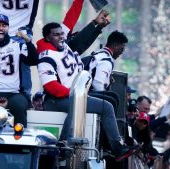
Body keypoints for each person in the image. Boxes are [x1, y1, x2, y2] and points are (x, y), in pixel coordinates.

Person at [37, 22, 135, 162]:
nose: (60, 37)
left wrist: (97, 25)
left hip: (73, 94)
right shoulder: (45, 57)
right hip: (56, 100)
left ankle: (111, 142)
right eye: (56, 35)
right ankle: (65, 143)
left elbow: (81, 41)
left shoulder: (65, 48)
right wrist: (77, 95)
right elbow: (50, 86)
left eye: (61, 34)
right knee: (103, 106)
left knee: (109, 99)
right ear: (47, 38)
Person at [86, 31, 128, 112]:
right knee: (113, 98)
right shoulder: (106, 60)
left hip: (87, 92)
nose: (122, 52)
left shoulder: (99, 53)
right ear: (115, 46)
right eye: (121, 48)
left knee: (112, 96)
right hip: (88, 94)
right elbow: (98, 83)